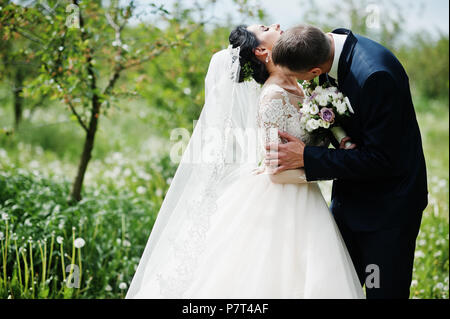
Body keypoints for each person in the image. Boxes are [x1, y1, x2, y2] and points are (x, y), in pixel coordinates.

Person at [125, 24, 364, 299]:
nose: (275, 25)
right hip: (283, 195)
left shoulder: (301, 80)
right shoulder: (273, 97)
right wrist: (330, 170)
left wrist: (342, 139)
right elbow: (275, 171)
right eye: (265, 28)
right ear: (262, 50)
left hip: (304, 195)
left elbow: (323, 114)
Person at [268, 24, 428, 299]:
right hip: (348, 201)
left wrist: (306, 157)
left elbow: (382, 160)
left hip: (386, 212)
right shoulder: (325, 46)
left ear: (315, 72)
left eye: (298, 79)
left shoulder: (375, 77)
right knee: (334, 288)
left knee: (381, 292)